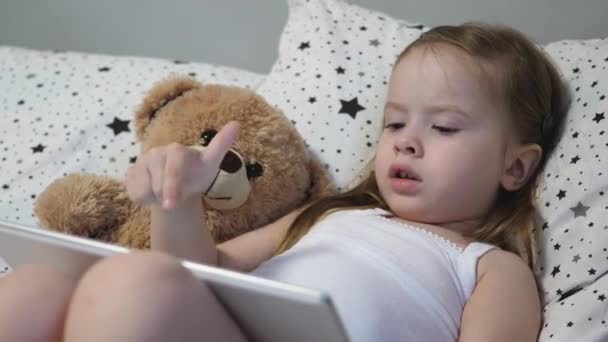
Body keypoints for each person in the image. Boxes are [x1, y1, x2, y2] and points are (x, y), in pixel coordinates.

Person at [0, 22, 569, 342]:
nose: (405, 140)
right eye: (395, 122)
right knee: (35, 289)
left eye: (444, 126)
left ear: (514, 167)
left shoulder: (489, 267)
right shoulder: (330, 216)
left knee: (134, 285)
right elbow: (203, 274)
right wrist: (181, 201)